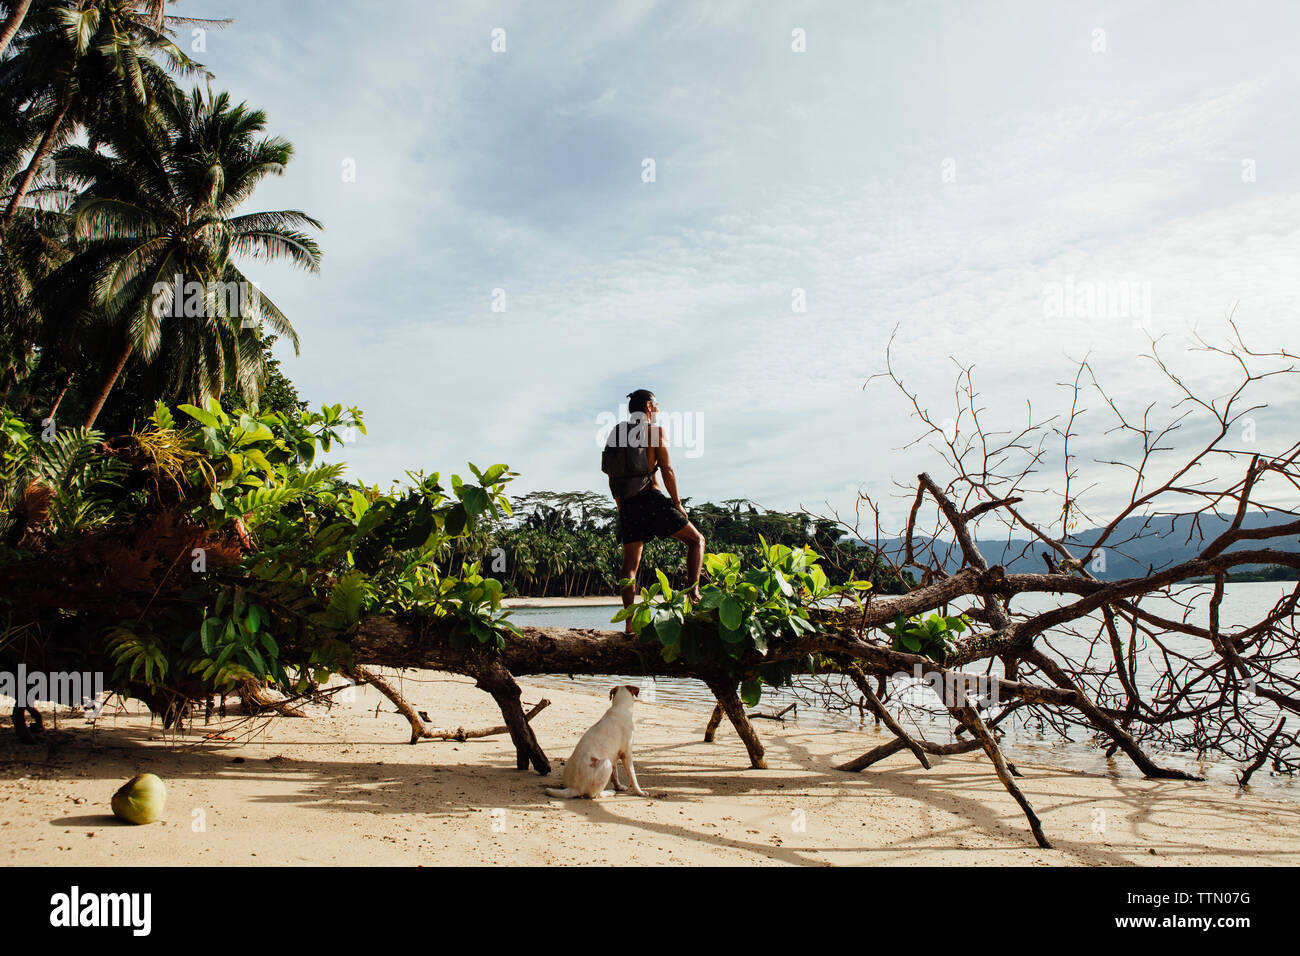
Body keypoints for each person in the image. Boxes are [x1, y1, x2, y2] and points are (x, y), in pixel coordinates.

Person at [602, 389, 705, 632]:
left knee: (630, 565)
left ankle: (629, 623)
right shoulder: (655, 432)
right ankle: (695, 597)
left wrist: (620, 503)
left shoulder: (616, 434)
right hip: (651, 498)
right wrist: (677, 503)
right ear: (648, 406)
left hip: (627, 502)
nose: (658, 409)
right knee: (696, 541)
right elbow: (667, 469)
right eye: (656, 405)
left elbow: (611, 474)